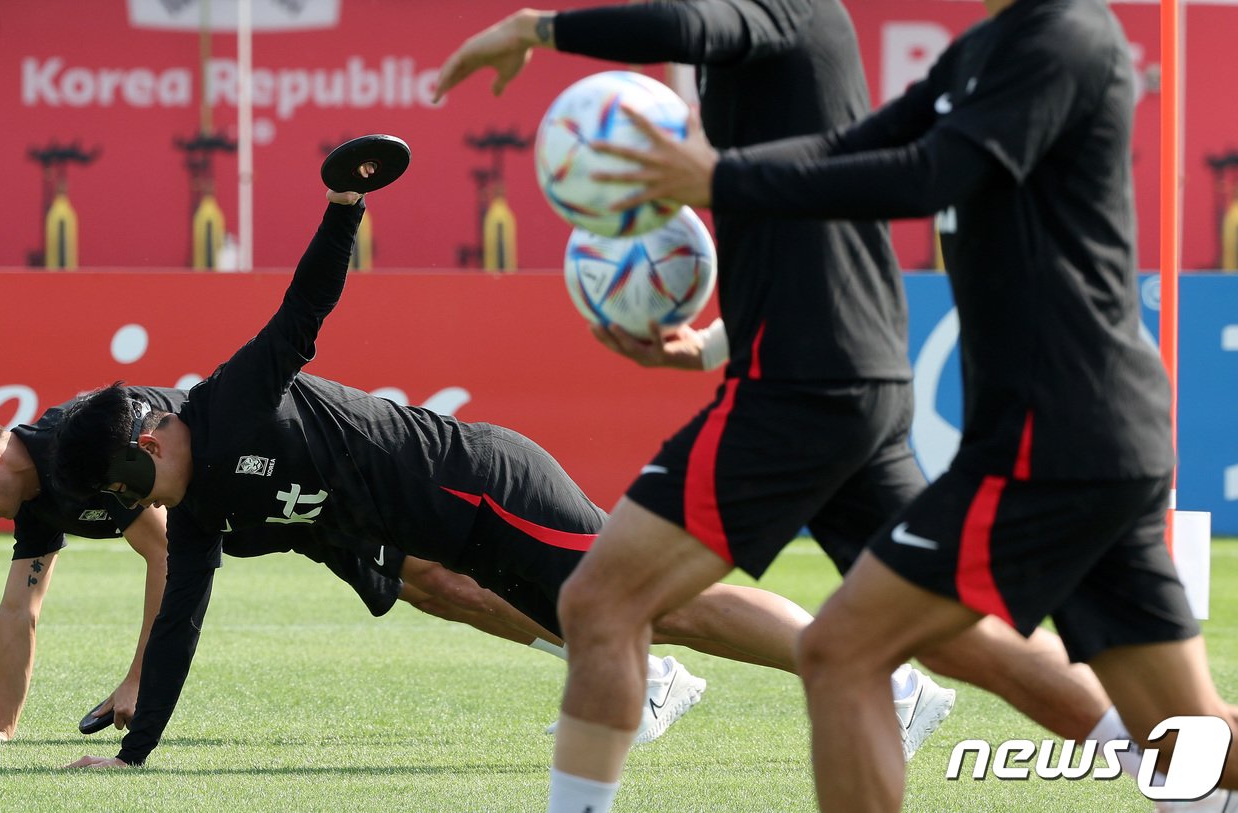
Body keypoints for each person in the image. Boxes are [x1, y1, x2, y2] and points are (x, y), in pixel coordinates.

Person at [433, 4, 1167, 812]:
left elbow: (693, 31)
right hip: (847, 371)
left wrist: (538, 29)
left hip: (804, 385)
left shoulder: (782, 6)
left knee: (600, 598)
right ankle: (1179, 772)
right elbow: (823, 195)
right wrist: (715, 344)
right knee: (954, 640)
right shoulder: (857, 44)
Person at [48, 187, 946, 770]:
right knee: (649, 610)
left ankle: (894, 684)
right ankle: (699, 685)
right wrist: (135, 758)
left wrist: (341, 203)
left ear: (153, 434)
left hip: (487, 485)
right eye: (128, 500)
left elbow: (303, 310)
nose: (142, 503)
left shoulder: (226, 403)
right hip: (465, 540)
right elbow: (179, 623)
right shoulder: (200, 509)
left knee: (664, 602)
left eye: (135, 479)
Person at [0, 390, 610, 740]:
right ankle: (604, 662)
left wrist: (140, 678)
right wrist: (2, 725)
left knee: (444, 578)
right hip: (278, 516)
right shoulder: (39, 496)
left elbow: (165, 548)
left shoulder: (76, 454)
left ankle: (623, 665)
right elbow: (22, 605)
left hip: (297, 471)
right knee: (434, 592)